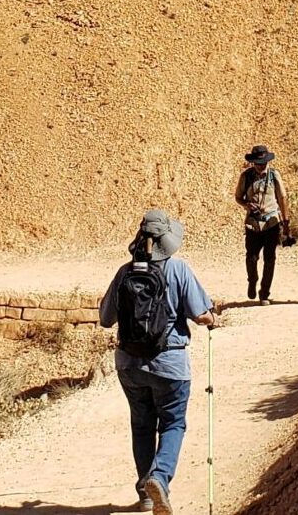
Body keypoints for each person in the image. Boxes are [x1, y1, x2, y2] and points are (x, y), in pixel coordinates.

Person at [100, 210, 218, 515]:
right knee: (173, 423)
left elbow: (105, 318)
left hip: (129, 364)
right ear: (168, 240)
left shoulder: (125, 272)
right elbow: (201, 314)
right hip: (170, 364)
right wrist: (212, 318)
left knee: (141, 426)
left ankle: (146, 496)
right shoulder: (178, 269)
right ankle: (160, 478)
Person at [233, 144, 289, 304]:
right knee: (251, 257)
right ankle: (252, 280)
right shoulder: (246, 177)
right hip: (253, 224)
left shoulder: (274, 175)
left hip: (271, 223)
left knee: (270, 258)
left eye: (263, 163)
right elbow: (238, 197)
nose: (261, 166)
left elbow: (282, 198)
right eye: (258, 163)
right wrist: (247, 205)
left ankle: (264, 293)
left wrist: (285, 222)